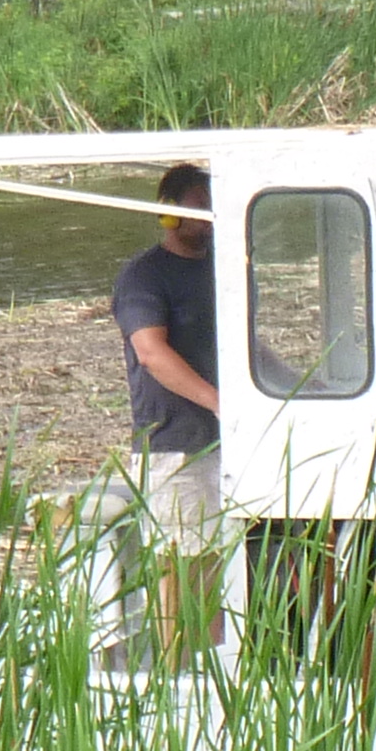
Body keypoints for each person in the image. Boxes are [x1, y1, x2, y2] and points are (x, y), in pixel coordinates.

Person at [108, 162, 222, 544]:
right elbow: (151, 353)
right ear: (169, 213)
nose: (208, 216)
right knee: (185, 568)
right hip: (177, 446)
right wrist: (219, 403)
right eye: (198, 206)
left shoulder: (221, 269)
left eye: (213, 206)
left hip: (231, 441)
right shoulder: (144, 276)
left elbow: (245, 343)